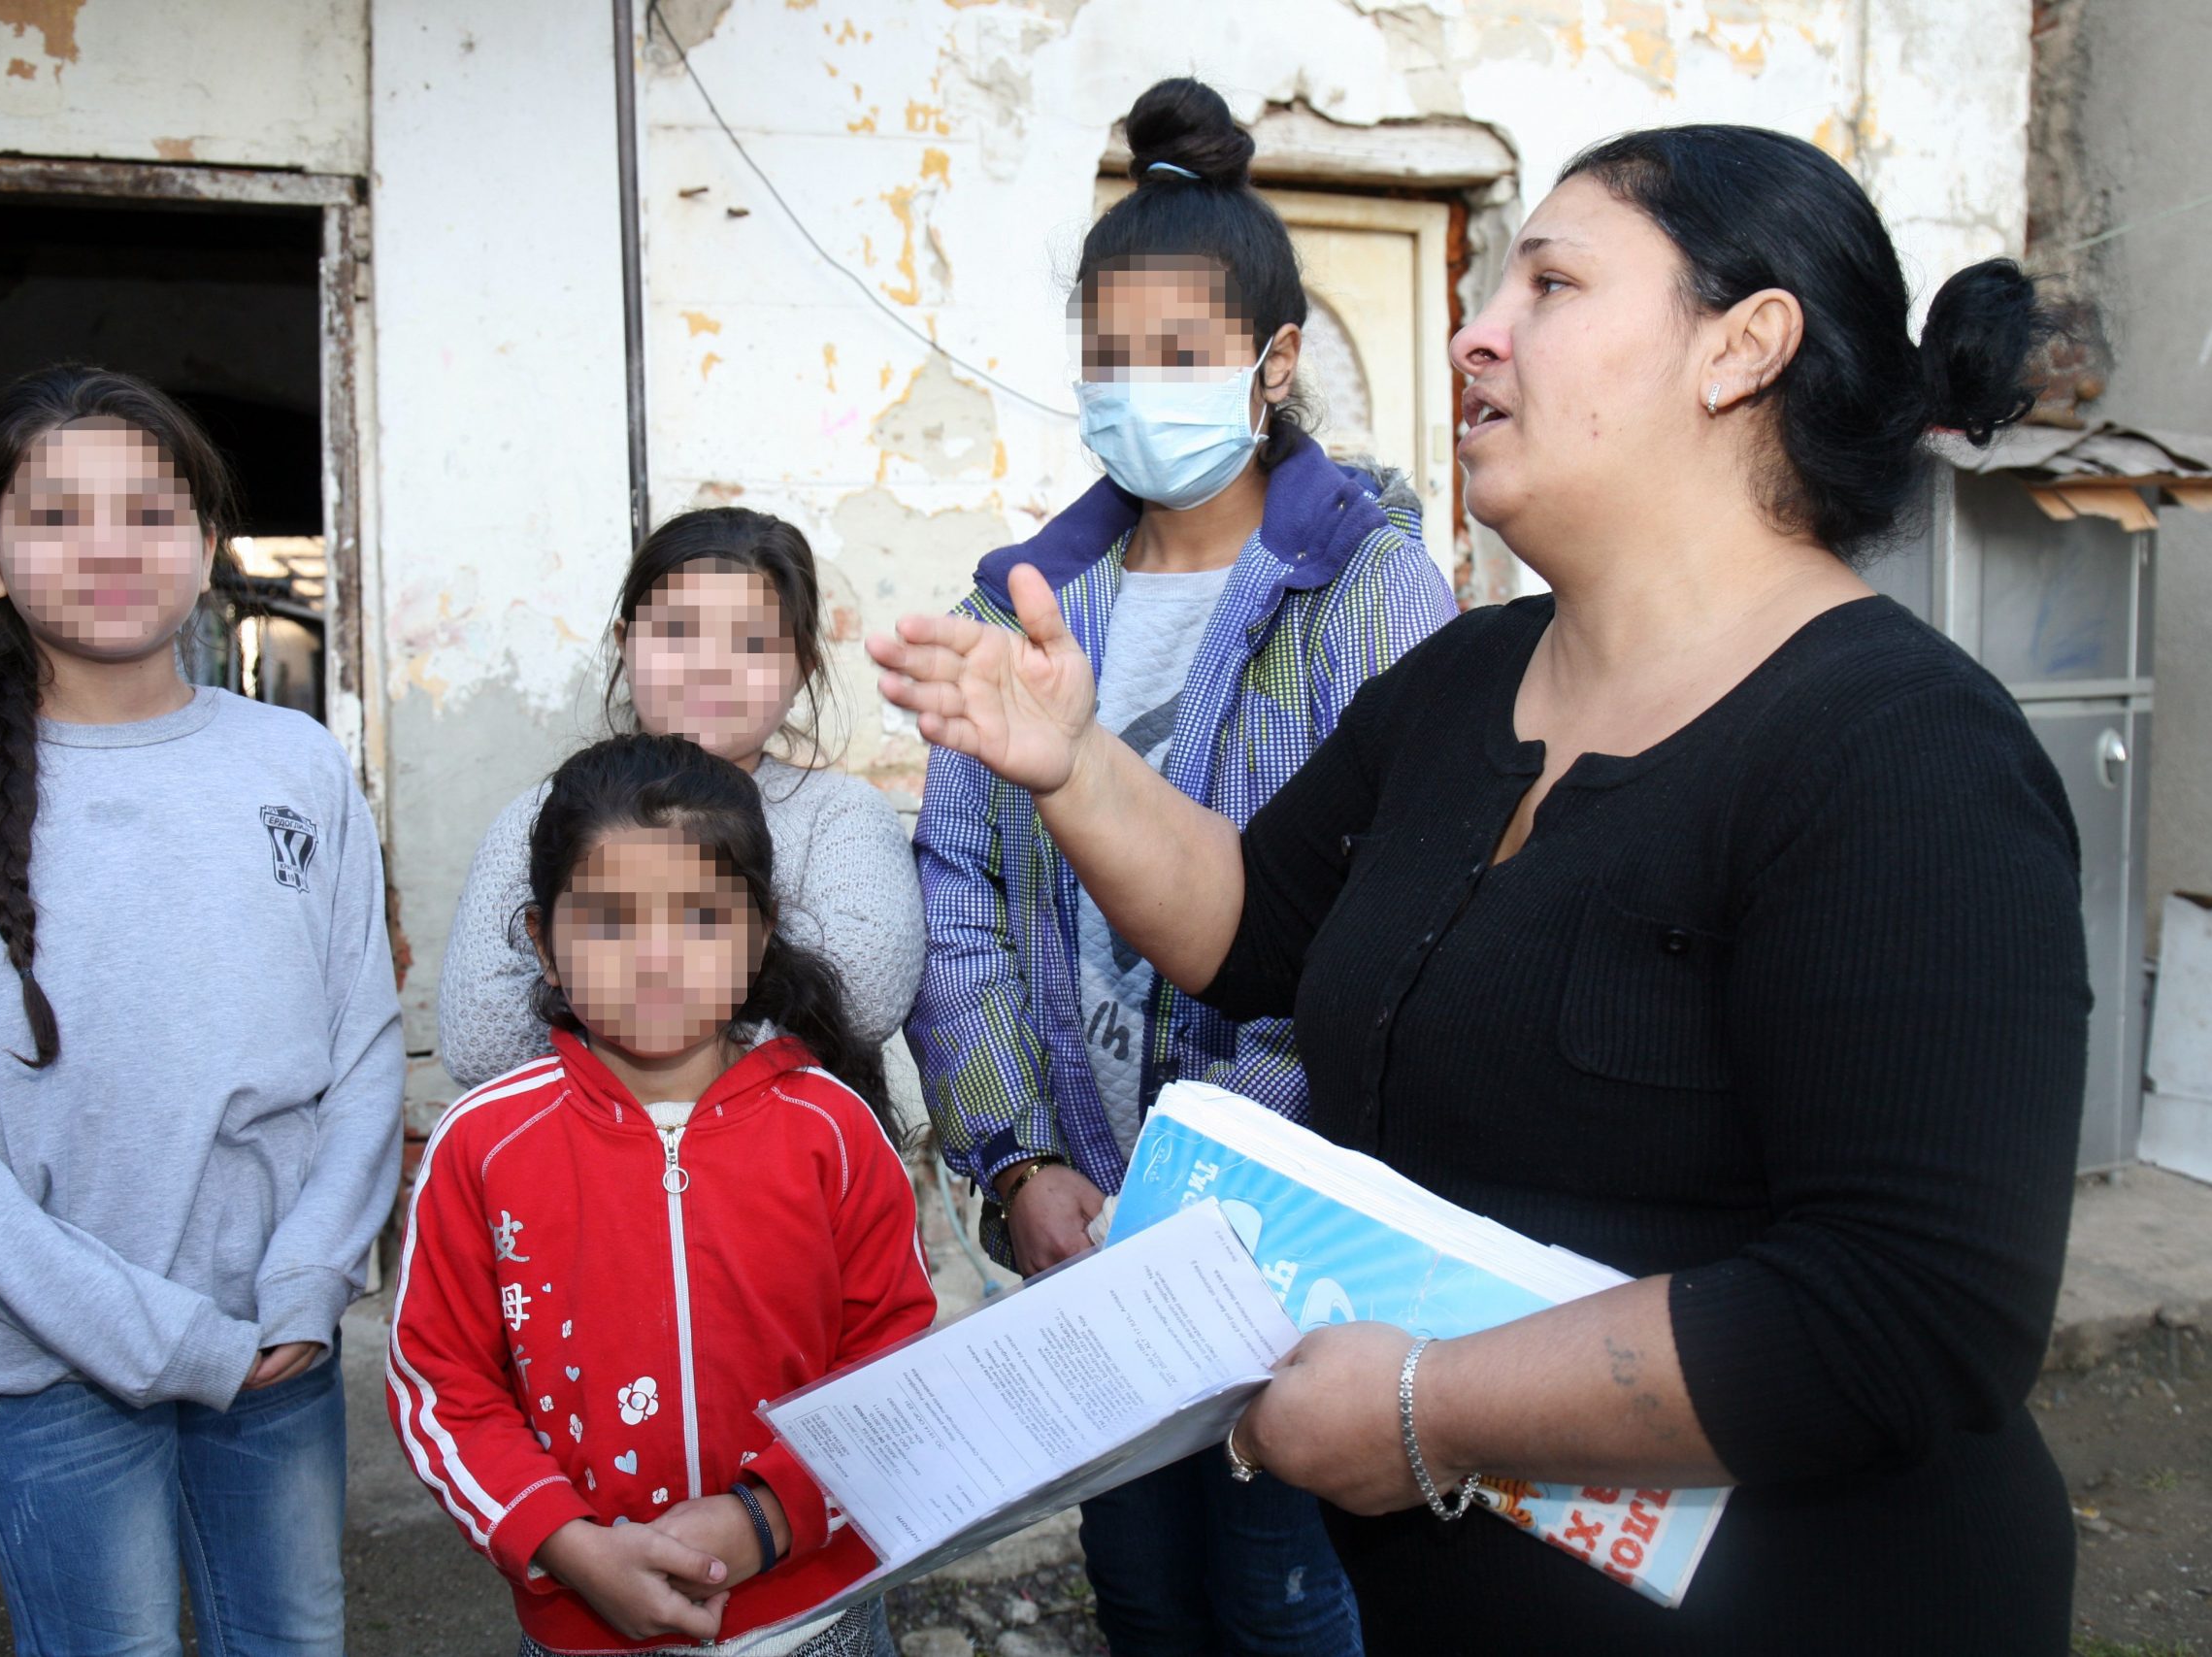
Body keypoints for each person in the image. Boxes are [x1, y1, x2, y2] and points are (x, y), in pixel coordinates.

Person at [873, 123, 2089, 1655]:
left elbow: (1902, 1313)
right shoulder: (1467, 684)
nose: (1474, 329)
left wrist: (1426, 1405)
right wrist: (1078, 766)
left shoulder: (1906, 757)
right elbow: (1249, 927)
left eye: (1554, 280)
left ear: (1743, 347)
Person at [907, 76, 1454, 1657]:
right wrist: (1019, 1166)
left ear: (1273, 367)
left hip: (1288, 1248)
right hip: (1087, 1238)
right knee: (1141, 1587)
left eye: (1181, 356)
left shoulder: (1369, 593)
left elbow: (1395, 926)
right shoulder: (1022, 603)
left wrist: (1224, 1199)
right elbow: (961, 904)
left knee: (1291, 1595)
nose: (1137, 392)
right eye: (1108, 357)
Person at [0, 364, 404, 1655]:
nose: (109, 548)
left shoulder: (294, 762)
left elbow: (363, 1041)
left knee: (293, 1638)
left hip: (273, 1340)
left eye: (151, 511)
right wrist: (142, 1329)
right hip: (48, 1360)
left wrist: (309, 1274)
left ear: (207, 544)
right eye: (57, 514)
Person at [389, 733, 937, 1657]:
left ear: (760, 933)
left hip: (817, 1615)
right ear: (543, 943)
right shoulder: (484, 1146)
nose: (655, 958)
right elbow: (443, 1384)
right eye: (608, 919)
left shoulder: (833, 1131)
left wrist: (764, 1518)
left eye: (699, 917)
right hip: (584, 1623)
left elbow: (893, 1361)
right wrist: (566, 1543)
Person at [441, 508, 923, 1088]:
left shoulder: (841, 816)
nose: (710, 668)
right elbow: (478, 1040)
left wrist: (608, 986)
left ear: (802, 669)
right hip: (584, 1166)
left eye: (751, 643)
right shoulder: (544, 813)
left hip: (790, 1164)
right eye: (677, 633)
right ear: (625, 642)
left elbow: (861, 996)